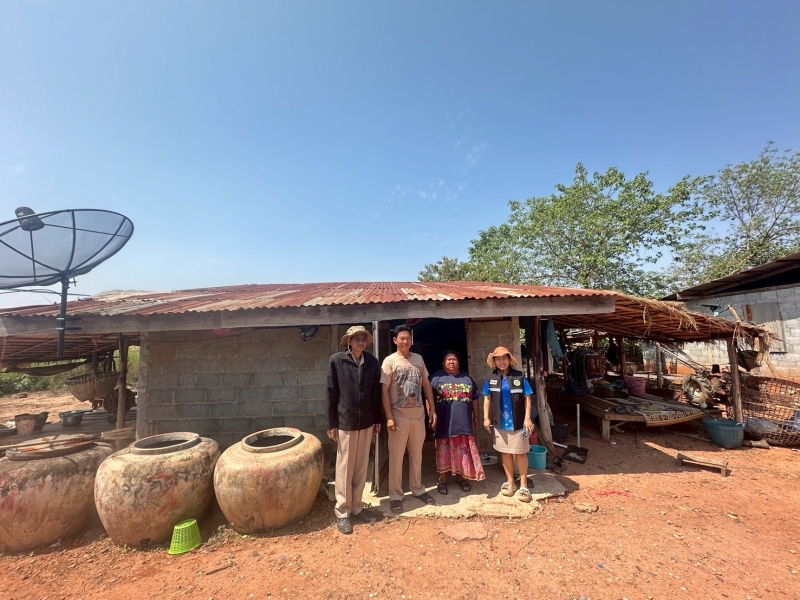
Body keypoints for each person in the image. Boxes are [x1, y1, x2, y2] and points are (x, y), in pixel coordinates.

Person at [327, 325, 384, 534]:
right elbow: (331, 392)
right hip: (346, 421)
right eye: (357, 338)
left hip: (366, 421)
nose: (361, 342)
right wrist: (331, 423)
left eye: (363, 338)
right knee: (345, 468)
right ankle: (343, 511)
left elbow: (376, 393)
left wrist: (377, 418)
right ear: (349, 341)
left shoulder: (372, 362)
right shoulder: (337, 360)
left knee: (361, 466)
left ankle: (357, 507)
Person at [381, 325, 437, 513]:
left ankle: (417, 488)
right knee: (396, 457)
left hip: (418, 415)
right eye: (402, 338)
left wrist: (432, 409)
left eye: (408, 338)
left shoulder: (418, 359)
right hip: (398, 416)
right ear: (395, 340)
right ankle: (396, 494)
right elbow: (384, 390)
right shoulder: (390, 361)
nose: (405, 341)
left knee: (417, 456)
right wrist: (389, 417)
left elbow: (426, 384)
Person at [482, 346, 535, 503]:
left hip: (518, 422)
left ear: (509, 360)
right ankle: (510, 482)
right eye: (498, 359)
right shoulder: (490, 377)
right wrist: (486, 418)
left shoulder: (519, 376)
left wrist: (527, 418)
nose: (501, 362)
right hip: (500, 422)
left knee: (520, 452)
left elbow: (527, 397)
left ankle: (523, 485)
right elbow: (487, 398)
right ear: (494, 361)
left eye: (504, 358)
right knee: (505, 452)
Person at [430, 350, 485, 495]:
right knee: (443, 451)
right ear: (443, 363)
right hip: (444, 422)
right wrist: (431, 414)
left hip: (463, 422)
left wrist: (476, 417)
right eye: (448, 359)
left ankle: (461, 478)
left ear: (459, 362)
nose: (451, 362)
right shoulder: (436, 377)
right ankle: (442, 480)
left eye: (454, 359)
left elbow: (474, 398)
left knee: (463, 451)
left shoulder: (466, 377)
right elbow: (429, 398)